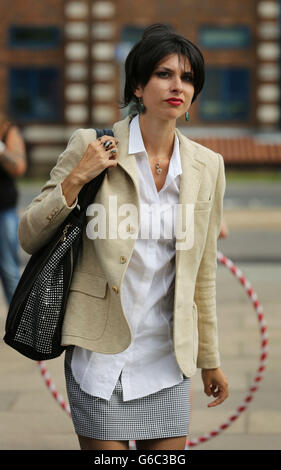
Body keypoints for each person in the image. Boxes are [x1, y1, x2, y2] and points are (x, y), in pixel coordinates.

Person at [18, 24, 229, 451]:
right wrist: (80, 175)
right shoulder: (92, 145)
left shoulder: (208, 167)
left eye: (188, 78)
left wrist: (210, 360)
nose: (178, 86)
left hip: (168, 357)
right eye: (164, 74)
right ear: (138, 83)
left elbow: (201, 276)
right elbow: (29, 232)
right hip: (98, 353)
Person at [0, 114, 26, 304]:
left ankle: (19, 326)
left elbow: (19, 167)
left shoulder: (7, 130)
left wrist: (1, 150)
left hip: (3, 211)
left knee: (9, 271)